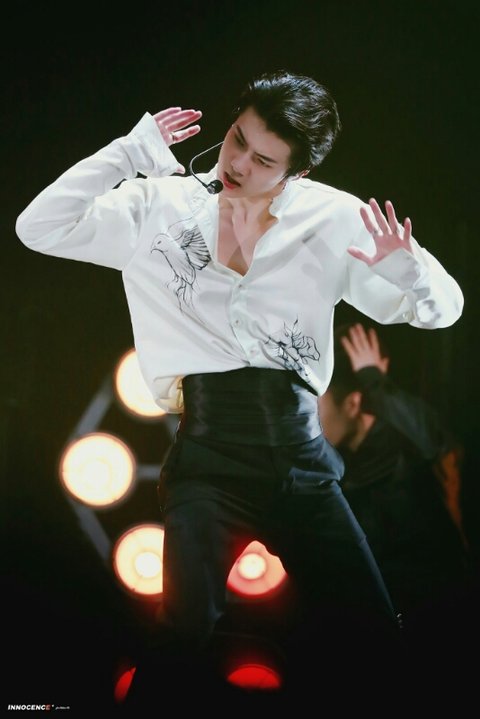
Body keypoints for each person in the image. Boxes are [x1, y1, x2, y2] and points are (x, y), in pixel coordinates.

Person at [16, 70, 464, 702]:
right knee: (180, 637)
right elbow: (38, 226)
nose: (239, 164)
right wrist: (126, 154)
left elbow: (443, 310)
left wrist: (410, 271)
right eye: (237, 140)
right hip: (208, 456)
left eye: (264, 160)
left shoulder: (333, 216)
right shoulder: (162, 206)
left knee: (372, 633)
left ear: (297, 172)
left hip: (301, 460)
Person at [319, 322, 474, 683]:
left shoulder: (405, 449)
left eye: (316, 406)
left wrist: (375, 383)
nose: (307, 419)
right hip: (375, 634)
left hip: (439, 626)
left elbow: (436, 442)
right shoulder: (333, 469)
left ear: (352, 403)